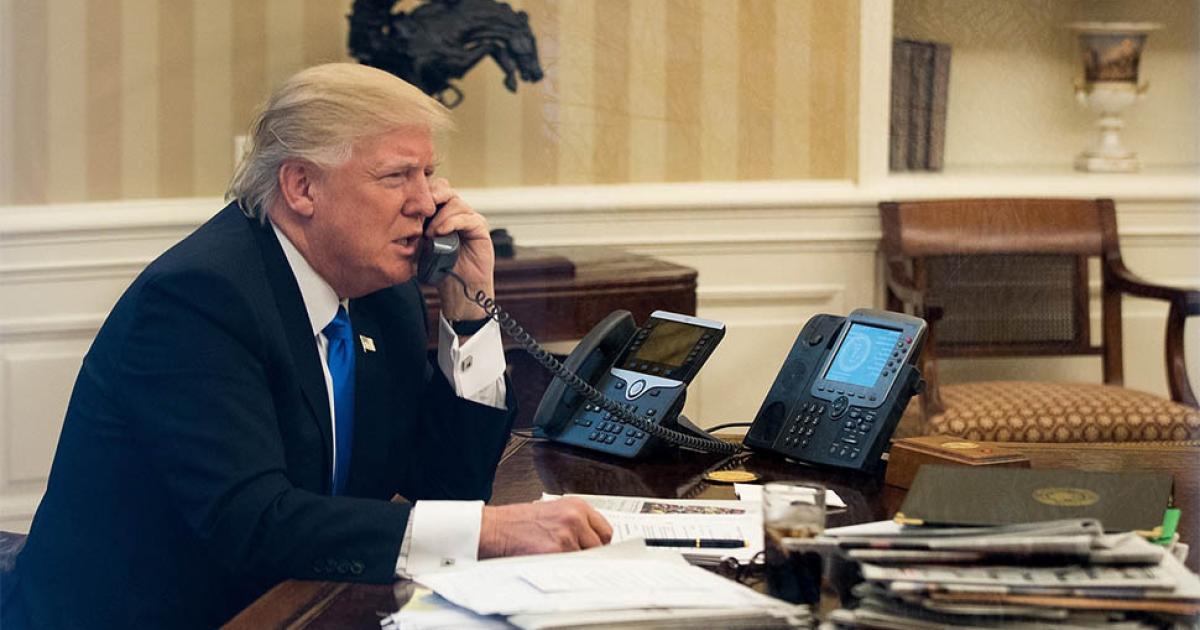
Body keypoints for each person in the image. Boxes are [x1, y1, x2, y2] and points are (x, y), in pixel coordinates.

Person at [3, 63, 612, 629]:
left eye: (428, 174)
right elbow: (255, 522)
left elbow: (449, 488)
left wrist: (471, 318)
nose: (427, 204)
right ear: (302, 187)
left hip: (289, 603)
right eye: (396, 176)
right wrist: (490, 531)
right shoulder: (199, 300)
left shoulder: (383, 295)